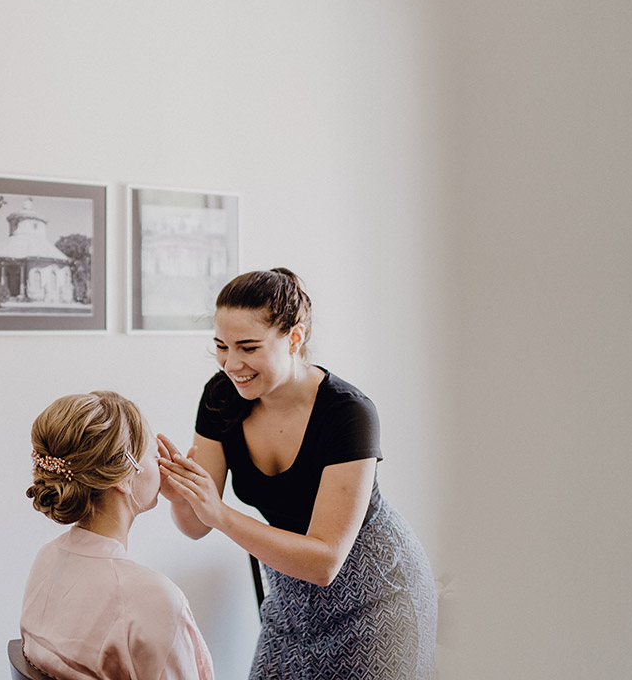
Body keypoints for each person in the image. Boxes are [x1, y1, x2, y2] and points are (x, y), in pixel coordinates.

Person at [158, 268, 437, 680]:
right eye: (221, 347)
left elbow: (325, 562)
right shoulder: (221, 397)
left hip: (378, 596)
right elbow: (197, 526)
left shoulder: (348, 413)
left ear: (294, 337)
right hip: (290, 595)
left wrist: (220, 514)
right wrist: (183, 498)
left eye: (248, 347)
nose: (232, 364)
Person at [21, 391, 215, 680]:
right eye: (153, 454)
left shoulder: (47, 558)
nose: (161, 464)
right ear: (124, 477)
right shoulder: (153, 598)